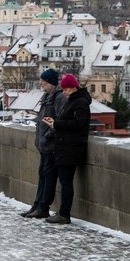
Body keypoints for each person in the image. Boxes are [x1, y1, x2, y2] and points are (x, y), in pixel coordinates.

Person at [43, 74, 91, 224]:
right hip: (65, 147)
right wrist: (55, 122)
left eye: (66, 89)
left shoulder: (80, 102)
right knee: (64, 181)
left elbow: (78, 124)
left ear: (73, 87)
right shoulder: (74, 100)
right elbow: (69, 121)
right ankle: (63, 212)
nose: (64, 92)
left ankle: (64, 214)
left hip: (71, 148)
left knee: (66, 182)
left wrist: (57, 124)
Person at [20, 69, 66, 219]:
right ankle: (37, 204)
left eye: (44, 82)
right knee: (42, 175)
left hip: (51, 146)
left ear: (52, 83)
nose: (41, 84)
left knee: (48, 176)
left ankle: (43, 207)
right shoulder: (47, 96)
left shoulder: (59, 98)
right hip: (43, 145)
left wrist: (47, 135)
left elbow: (58, 121)